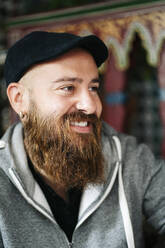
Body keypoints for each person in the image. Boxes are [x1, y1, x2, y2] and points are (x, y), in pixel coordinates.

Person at [0, 30, 164, 248]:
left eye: (93, 88)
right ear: (19, 99)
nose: (91, 106)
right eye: (67, 88)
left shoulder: (131, 159)